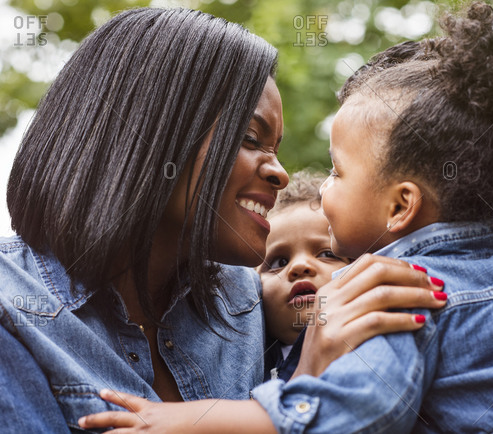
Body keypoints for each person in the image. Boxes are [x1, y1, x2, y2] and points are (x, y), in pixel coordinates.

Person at [80, 3, 493, 433]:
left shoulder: (400, 289)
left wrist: (194, 420)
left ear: (401, 206)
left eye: (335, 173)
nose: (318, 188)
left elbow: (365, 403)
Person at [0, 7, 447, 433]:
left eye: (275, 147)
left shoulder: (248, 301)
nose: (280, 171)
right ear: (152, 132)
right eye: (251, 138)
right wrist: (302, 388)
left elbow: (327, 320)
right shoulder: (13, 309)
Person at [259, 171, 351, 381]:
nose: (299, 266)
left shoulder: (373, 346)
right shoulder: (248, 372)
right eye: (279, 262)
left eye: (327, 254)